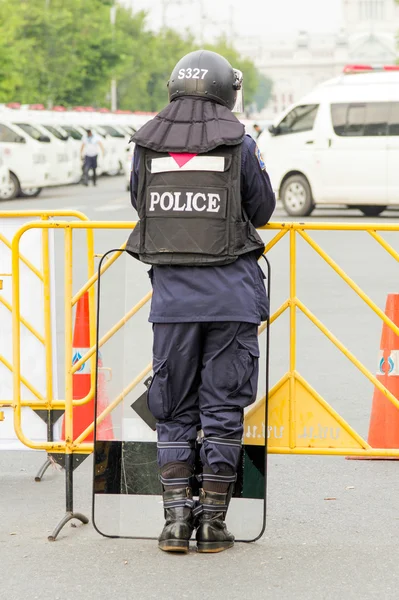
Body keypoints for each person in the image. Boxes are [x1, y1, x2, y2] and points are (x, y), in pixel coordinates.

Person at [127, 49, 276, 554]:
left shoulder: (146, 145)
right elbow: (262, 209)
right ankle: (212, 524)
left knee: (173, 409)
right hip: (231, 299)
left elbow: (138, 201)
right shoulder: (240, 142)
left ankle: (173, 523)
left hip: (172, 303)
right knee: (223, 408)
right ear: (226, 91)